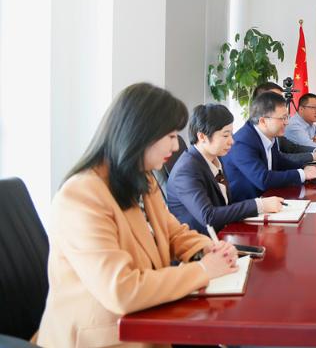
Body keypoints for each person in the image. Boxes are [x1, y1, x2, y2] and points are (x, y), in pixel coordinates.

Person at [35, 83, 238, 348]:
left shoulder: (142, 179)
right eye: (170, 135)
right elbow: (120, 290)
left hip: (147, 321)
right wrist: (202, 270)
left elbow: (173, 232)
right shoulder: (82, 195)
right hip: (102, 338)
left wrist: (208, 249)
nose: (176, 145)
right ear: (140, 134)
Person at [167, 103, 285, 233]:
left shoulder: (215, 158)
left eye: (231, 134)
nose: (231, 141)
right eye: (225, 135)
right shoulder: (186, 170)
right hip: (202, 241)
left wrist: (259, 205)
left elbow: (225, 205)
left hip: (224, 232)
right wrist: (259, 205)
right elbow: (208, 216)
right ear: (202, 137)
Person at [222, 91, 316, 201]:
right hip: (246, 205)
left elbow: (279, 161)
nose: (286, 123)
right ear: (263, 121)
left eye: (287, 117)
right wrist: (302, 174)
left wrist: (304, 167)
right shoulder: (242, 142)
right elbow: (263, 179)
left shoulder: (269, 135)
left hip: (267, 199)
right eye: (283, 118)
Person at [252, 82, 316, 162]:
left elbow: (293, 148)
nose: (286, 123)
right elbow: (280, 159)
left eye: (282, 100)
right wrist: (315, 156)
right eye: (277, 101)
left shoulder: (274, 134)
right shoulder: (249, 141)